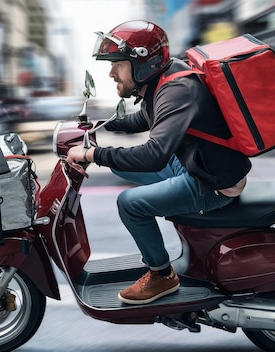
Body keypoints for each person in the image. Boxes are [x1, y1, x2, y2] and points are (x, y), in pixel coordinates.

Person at [65, 20, 251, 305]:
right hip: (195, 164)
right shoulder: (166, 78)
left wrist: (92, 155)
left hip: (212, 184)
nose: (112, 72)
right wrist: (103, 126)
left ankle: (161, 275)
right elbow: (147, 118)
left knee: (130, 204)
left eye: (118, 63)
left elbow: (154, 155)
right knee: (120, 164)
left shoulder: (177, 91)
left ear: (143, 64)